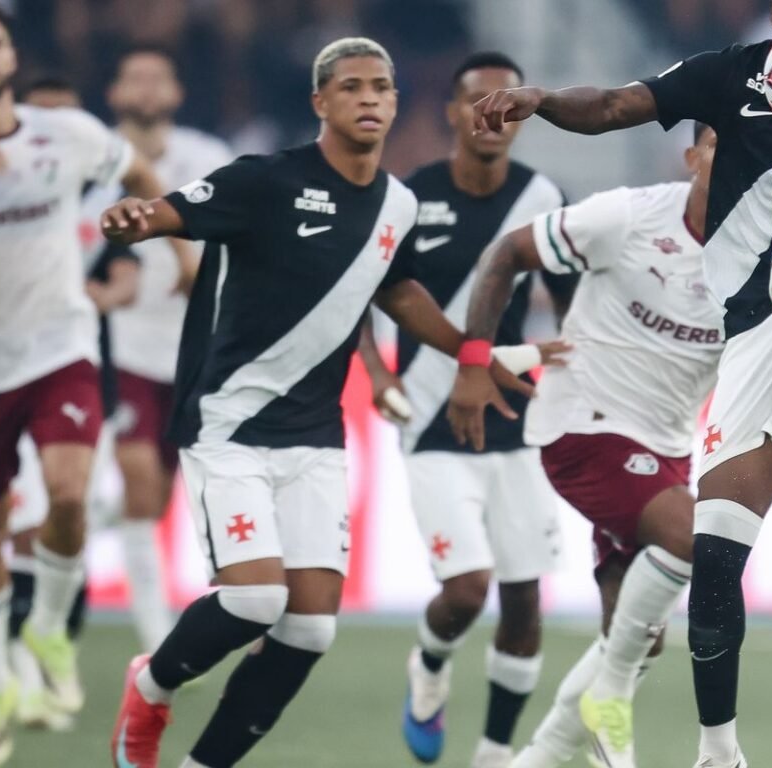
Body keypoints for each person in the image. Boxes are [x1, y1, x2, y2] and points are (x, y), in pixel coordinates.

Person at [457, 2, 772, 763]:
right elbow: (611, 106)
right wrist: (541, 101)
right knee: (717, 544)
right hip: (759, 337)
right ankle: (717, 749)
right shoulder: (731, 76)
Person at [100, 37, 534, 768]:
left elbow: (398, 289)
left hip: (314, 436)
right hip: (230, 421)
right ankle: (151, 685)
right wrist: (139, 219)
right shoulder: (264, 181)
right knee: (255, 602)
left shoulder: (397, 202)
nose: (369, 99)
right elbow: (174, 210)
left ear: (396, 103)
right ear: (320, 103)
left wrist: (472, 351)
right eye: (353, 87)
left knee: (309, 631)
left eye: (382, 88)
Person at [452, 123, 724, 768]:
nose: (737, 158)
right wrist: (474, 361)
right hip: (583, 425)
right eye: (721, 144)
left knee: (635, 636)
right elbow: (505, 255)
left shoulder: (764, 253)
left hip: (664, 446)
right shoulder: (627, 216)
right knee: (691, 541)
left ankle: (538, 759)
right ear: (691, 157)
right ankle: (611, 710)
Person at [355, 50, 574, 768]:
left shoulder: (545, 196)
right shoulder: (407, 197)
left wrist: (577, 359)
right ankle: (430, 660)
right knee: (465, 590)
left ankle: (493, 753)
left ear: (523, 113)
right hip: (429, 414)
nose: (492, 114)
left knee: (522, 600)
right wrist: (378, 373)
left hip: (514, 413)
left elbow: (576, 300)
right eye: (476, 100)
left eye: (507, 101)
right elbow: (355, 289)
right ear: (451, 113)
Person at [0, 4, 177, 763]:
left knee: (69, 496)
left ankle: (50, 633)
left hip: (59, 350)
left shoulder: (62, 134)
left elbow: (132, 170)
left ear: (10, 55)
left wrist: (153, 222)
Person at [102, 45, 234, 653]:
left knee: (158, 497)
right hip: (120, 347)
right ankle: (155, 636)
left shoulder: (209, 159)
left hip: (194, 351)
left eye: (160, 76)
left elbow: (242, 238)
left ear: (177, 93)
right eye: (136, 76)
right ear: (116, 92)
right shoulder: (92, 158)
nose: (148, 87)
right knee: (136, 481)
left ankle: (66, 531)